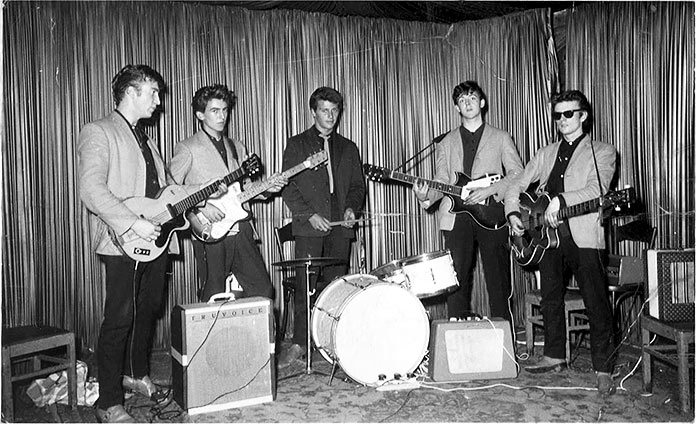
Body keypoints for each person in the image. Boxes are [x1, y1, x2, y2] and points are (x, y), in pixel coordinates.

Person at [505, 89, 617, 396]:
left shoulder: (603, 152)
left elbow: (597, 190)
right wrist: (513, 211)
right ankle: (554, 354)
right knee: (550, 297)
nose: (563, 120)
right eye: (558, 115)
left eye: (569, 114)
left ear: (583, 115)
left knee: (596, 303)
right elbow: (517, 183)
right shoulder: (546, 153)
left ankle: (603, 367)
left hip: (582, 238)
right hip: (546, 239)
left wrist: (560, 200)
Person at [78, 64, 173, 422]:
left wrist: (209, 199)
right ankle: (108, 400)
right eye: (153, 93)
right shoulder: (99, 131)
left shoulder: (146, 140)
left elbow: (169, 190)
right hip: (122, 240)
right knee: (119, 317)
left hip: (156, 241)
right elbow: (90, 189)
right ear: (131, 92)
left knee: (147, 309)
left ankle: (135, 374)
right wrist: (133, 221)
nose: (158, 100)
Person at [413, 80, 523, 324]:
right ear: (456, 108)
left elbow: (518, 173)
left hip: (491, 212)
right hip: (456, 216)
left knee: (498, 281)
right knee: (456, 281)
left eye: (472, 98)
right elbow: (441, 179)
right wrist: (425, 195)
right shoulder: (445, 142)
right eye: (462, 100)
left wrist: (490, 190)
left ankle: (504, 344)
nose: (467, 103)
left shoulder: (501, 137)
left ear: (482, 103)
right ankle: (456, 341)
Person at [169, 84, 287, 302]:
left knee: (262, 290)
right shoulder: (187, 148)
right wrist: (201, 206)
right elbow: (171, 189)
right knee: (213, 292)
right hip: (209, 228)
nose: (222, 116)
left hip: (241, 228)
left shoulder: (236, 146)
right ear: (200, 114)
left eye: (224, 110)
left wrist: (267, 188)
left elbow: (247, 187)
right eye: (215, 111)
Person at [278, 86, 366, 368]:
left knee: (336, 287)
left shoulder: (348, 147)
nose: (330, 116)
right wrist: (308, 215)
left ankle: (331, 341)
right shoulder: (296, 144)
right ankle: (300, 344)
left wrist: (352, 208)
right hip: (309, 227)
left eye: (335, 111)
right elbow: (289, 189)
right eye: (324, 110)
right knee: (306, 288)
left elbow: (356, 187)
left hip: (340, 228)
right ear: (313, 111)